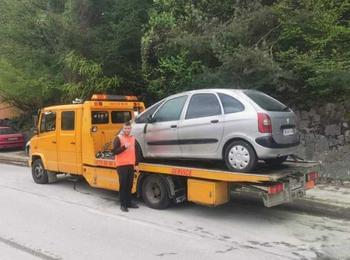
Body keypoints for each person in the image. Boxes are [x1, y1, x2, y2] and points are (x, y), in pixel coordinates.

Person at [112, 121, 139, 212]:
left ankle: (129, 202)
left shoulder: (133, 138)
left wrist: (136, 164)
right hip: (121, 165)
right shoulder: (118, 138)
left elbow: (135, 152)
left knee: (129, 185)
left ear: (130, 129)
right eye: (125, 128)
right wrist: (124, 147)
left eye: (129, 128)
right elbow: (114, 151)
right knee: (123, 185)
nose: (127, 130)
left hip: (130, 165)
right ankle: (123, 204)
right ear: (123, 129)